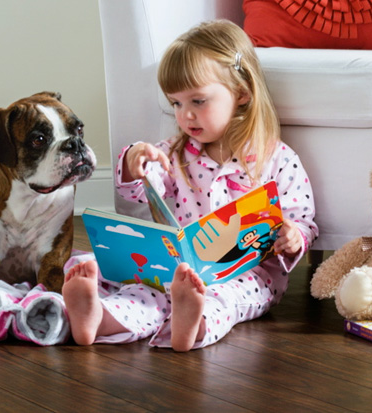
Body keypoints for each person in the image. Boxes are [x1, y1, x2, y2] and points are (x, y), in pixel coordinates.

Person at [63, 20, 318, 352]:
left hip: (247, 275)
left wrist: (293, 235)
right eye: (176, 104)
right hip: (174, 268)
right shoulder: (172, 154)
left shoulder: (276, 158)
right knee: (143, 293)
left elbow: (303, 219)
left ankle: (192, 324)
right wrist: (134, 163)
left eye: (198, 101)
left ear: (241, 93)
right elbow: (140, 193)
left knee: (225, 300)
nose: (186, 116)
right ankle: (98, 316)